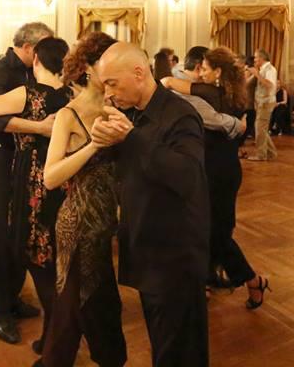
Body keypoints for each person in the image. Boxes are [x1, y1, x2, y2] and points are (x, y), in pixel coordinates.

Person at [94, 43, 210, 367]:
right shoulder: (134, 113)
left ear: (139, 73)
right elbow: (135, 168)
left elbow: (187, 175)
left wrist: (130, 139)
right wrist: (107, 142)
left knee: (179, 350)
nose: (108, 93)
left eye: (112, 83)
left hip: (174, 255)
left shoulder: (180, 114)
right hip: (148, 246)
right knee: (164, 343)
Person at [0, 37, 71, 354]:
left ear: (36, 58)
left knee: (25, 244)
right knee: (35, 249)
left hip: (29, 178)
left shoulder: (30, 93)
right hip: (51, 178)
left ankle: (48, 328)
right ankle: (13, 309)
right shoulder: (70, 95)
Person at [37, 32, 126, 367]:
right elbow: (50, 177)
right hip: (77, 226)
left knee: (101, 304)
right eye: (109, 66)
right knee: (74, 309)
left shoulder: (118, 108)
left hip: (105, 223)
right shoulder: (68, 115)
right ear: (90, 67)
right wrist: (93, 146)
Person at [162, 46, 269, 309]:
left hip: (215, 173)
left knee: (215, 235)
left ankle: (253, 279)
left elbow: (166, 81)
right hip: (227, 170)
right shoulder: (237, 98)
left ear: (218, 72)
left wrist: (180, 79)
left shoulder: (209, 93)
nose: (202, 73)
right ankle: (209, 280)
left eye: (206, 69)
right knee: (213, 230)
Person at [0, 22, 53, 343]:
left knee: (19, 228)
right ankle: (1, 308)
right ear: (30, 48)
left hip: (22, 159)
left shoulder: (29, 71)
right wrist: (39, 129)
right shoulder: (1, 70)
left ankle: (13, 296)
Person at [247, 49, 278, 161]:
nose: (254, 60)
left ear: (261, 58)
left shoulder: (270, 69)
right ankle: (271, 153)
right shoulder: (263, 69)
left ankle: (261, 155)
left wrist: (257, 74)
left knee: (260, 129)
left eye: (255, 58)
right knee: (262, 129)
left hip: (266, 103)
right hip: (262, 103)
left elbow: (269, 85)